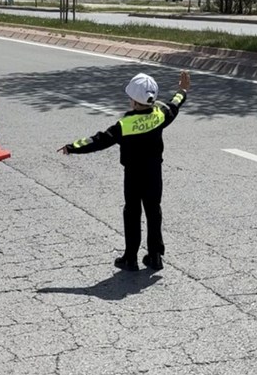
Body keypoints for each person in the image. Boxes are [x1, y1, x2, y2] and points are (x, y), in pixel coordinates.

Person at [59, 70, 191, 271]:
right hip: (154, 173)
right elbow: (175, 103)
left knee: (132, 212)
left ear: (133, 101)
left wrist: (73, 146)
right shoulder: (160, 115)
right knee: (154, 211)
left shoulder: (124, 125)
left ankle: (130, 257)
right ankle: (155, 256)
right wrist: (182, 89)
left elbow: (98, 140)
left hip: (133, 175)